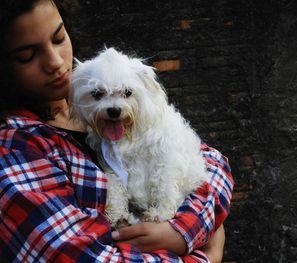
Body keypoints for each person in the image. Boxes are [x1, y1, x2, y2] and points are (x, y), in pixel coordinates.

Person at [0, 0, 234, 262]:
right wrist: (207, 257)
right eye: (26, 56)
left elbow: (213, 163)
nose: (55, 62)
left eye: (58, 38)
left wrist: (186, 228)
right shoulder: (15, 151)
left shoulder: (90, 99)